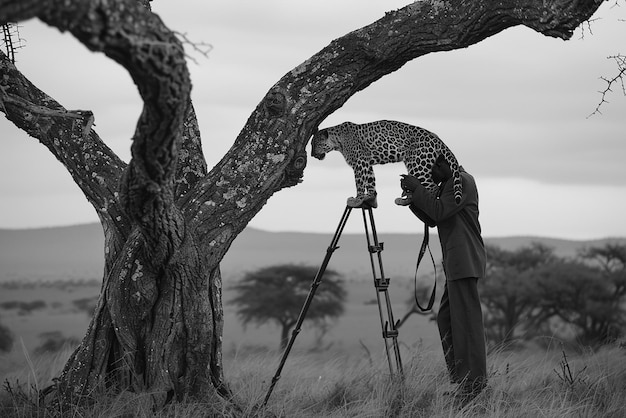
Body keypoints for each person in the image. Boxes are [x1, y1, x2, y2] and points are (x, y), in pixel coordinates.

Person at [400, 154, 487, 405]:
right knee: (447, 320)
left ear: (445, 163)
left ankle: (473, 384)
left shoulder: (462, 181)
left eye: (434, 168)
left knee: (466, 324)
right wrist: (413, 198)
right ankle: (462, 379)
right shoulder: (450, 183)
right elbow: (433, 216)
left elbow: (440, 211)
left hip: (464, 261)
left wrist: (419, 189)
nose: (432, 173)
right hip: (456, 263)